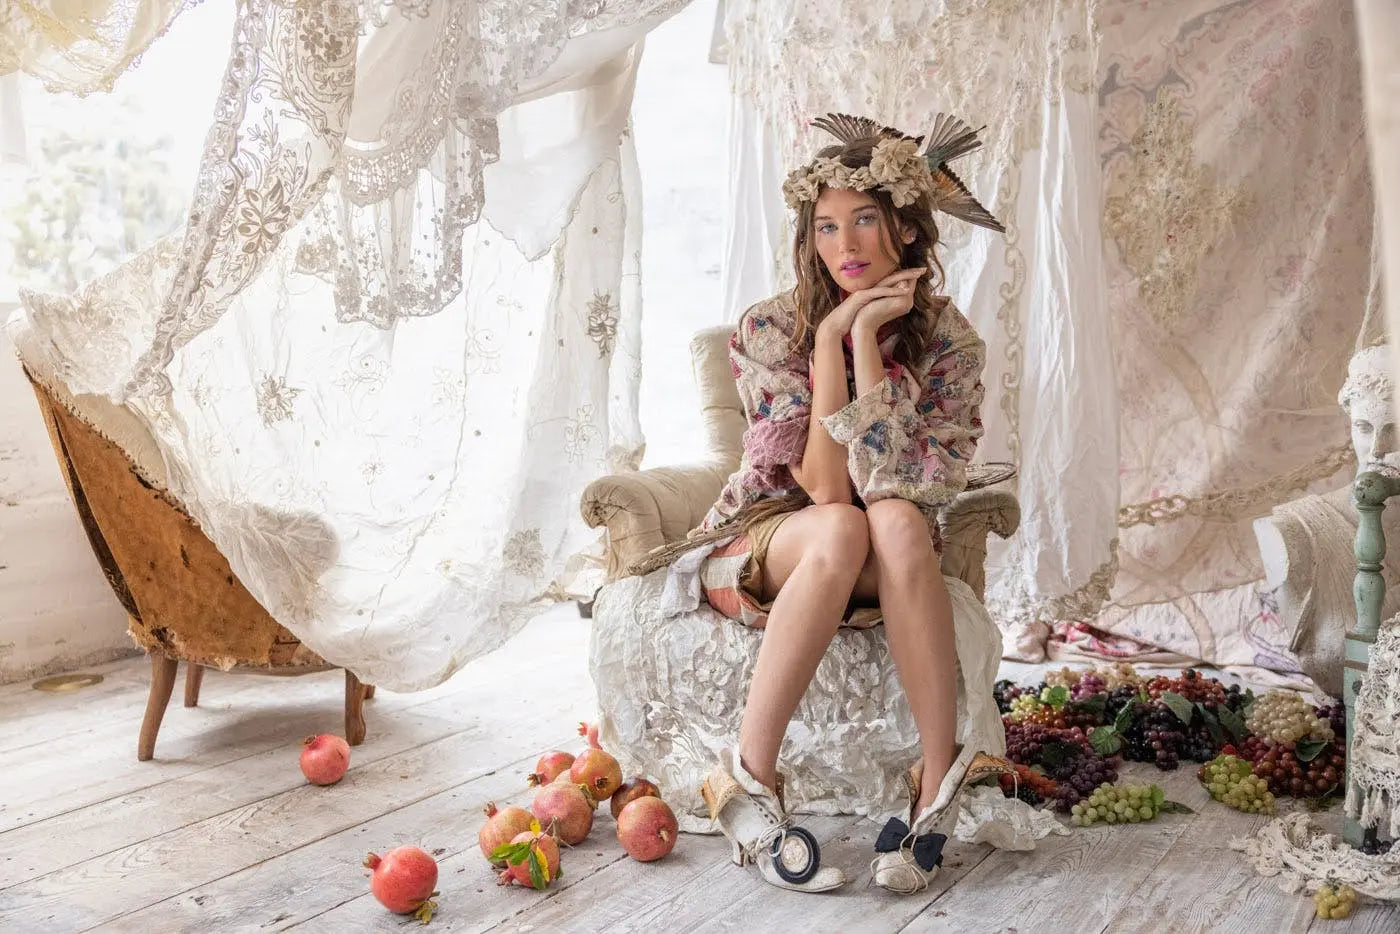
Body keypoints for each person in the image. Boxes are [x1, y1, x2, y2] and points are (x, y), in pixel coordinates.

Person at [682, 113, 1012, 894]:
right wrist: (830, 339)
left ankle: (936, 779)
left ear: (904, 227)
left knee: (892, 519)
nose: (847, 246)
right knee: (838, 525)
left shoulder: (950, 346)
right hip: (776, 537)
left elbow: (897, 488)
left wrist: (869, 344)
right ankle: (750, 777)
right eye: (827, 227)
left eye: (865, 220)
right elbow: (827, 488)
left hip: (876, 544)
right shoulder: (769, 328)